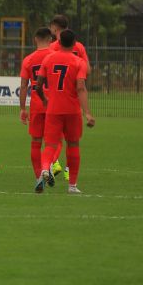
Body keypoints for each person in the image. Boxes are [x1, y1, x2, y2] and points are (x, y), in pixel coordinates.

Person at [35, 29, 95, 194]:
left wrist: (44, 100)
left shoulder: (48, 59)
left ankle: (45, 169)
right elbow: (81, 87)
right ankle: (72, 185)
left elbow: (38, 85)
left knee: (50, 145)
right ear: (74, 43)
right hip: (72, 111)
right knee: (73, 145)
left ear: (59, 43)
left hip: (53, 109)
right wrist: (87, 113)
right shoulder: (79, 62)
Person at [47, 14, 90, 177]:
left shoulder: (52, 48)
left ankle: (53, 163)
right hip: (73, 97)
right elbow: (88, 70)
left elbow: (44, 73)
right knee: (72, 140)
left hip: (54, 98)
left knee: (54, 138)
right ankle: (69, 172)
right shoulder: (78, 46)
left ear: (54, 27)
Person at [18, 27, 55, 185]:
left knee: (35, 142)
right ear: (50, 40)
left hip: (36, 105)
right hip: (54, 104)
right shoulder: (54, 57)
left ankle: (38, 177)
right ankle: (48, 168)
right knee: (52, 142)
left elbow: (23, 85)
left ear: (35, 39)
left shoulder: (28, 59)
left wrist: (22, 109)